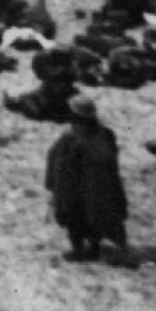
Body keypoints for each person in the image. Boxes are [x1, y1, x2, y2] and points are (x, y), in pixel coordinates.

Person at [44, 95, 128, 262]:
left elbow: (58, 162)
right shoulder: (104, 134)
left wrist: (54, 184)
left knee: (76, 219)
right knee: (91, 218)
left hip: (77, 190)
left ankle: (79, 249)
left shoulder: (71, 138)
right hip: (96, 189)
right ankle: (93, 247)